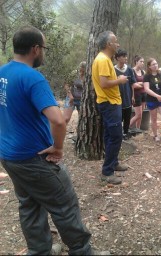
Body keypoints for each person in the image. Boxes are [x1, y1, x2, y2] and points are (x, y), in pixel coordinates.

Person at [0, 26, 92, 255]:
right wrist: (58, 148)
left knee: (29, 204)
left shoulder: (2, 73)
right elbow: (59, 121)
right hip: (34, 158)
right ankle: (82, 251)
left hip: (9, 156)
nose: (44, 53)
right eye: (44, 48)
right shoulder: (33, 78)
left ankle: (40, 251)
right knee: (64, 204)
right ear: (35, 49)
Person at [92, 31, 129, 185]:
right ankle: (107, 172)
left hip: (110, 103)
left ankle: (113, 163)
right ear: (108, 44)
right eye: (115, 41)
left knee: (109, 135)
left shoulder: (104, 59)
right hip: (109, 103)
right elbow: (104, 83)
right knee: (116, 136)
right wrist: (120, 80)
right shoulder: (103, 60)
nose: (118, 44)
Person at [143, 58, 161, 142]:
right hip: (151, 99)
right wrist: (156, 96)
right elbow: (146, 89)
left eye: (156, 63)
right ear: (149, 66)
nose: (155, 65)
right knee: (154, 118)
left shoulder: (160, 74)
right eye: (153, 64)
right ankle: (155, 135)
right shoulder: (147, 76)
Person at [114, 49, 137, 140]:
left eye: (126, 56)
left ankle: (125, 133)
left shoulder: (129, 70)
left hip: (128, 97)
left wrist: (133, 96)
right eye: (123, 56)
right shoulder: (113, 69)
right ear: (118, 58)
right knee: (119, 117)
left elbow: (132, 83)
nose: (126, 58)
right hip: (117, 98)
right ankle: (118, 134)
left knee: (127, 117)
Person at [130, 55, 146, 132]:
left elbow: (146, 83)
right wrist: (132, 96)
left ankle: (137, 129)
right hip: (136, 95)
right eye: (141, 61)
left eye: (143, 62)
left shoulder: (143, 72)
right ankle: (126, 128)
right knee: (138, 115)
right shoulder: (132, 71)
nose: (142, 63)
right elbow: (133, 85)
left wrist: (139, 83)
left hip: (143, 94)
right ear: (136, 62)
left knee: (141, 114)